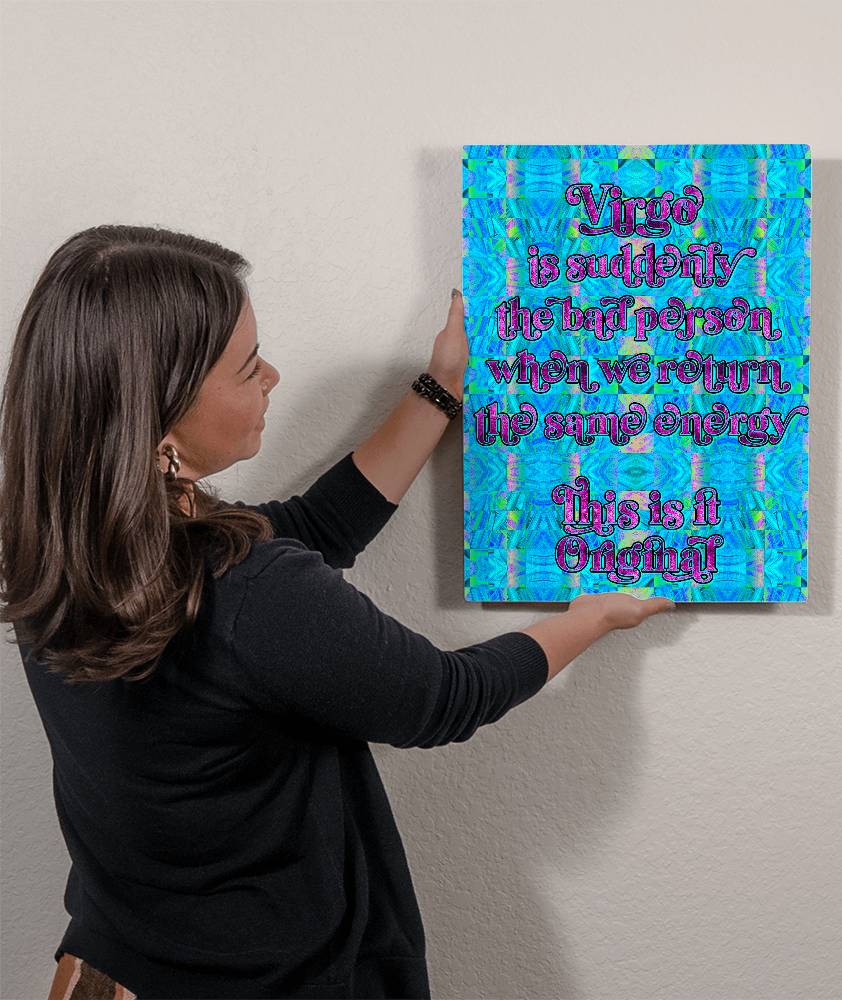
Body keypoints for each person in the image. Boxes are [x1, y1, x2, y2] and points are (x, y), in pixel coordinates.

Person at [1, 225, 674, 1000]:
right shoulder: (249, 593)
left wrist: (441, 386)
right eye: (248, 366)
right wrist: (591, 617)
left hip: (114, 969)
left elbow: (314, 528)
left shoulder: (56, 555)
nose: (272, 376)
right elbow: (441, 698)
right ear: (161, 425)